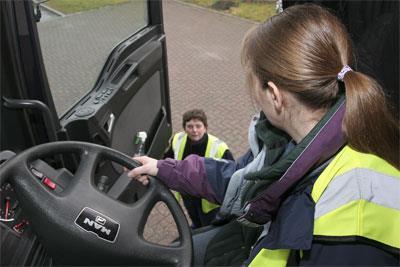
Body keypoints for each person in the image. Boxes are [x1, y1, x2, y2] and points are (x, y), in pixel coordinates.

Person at [128, 4, 399, 266]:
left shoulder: (350, 226)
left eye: (250, 80)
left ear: (274, 95)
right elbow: (237, 179)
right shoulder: (288, 140)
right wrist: (162, 168)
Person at [164, 109, 234, 228]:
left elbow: (231, 174)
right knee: (193, 215)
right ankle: (197, 225)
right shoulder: (177, 139)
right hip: (187, 193)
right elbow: (167, 158)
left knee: (209, 222)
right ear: (184, 128)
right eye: (190, 126)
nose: (194, 130)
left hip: (208, 200)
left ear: (205, 127)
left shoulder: (219, 148)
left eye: (198, 126)